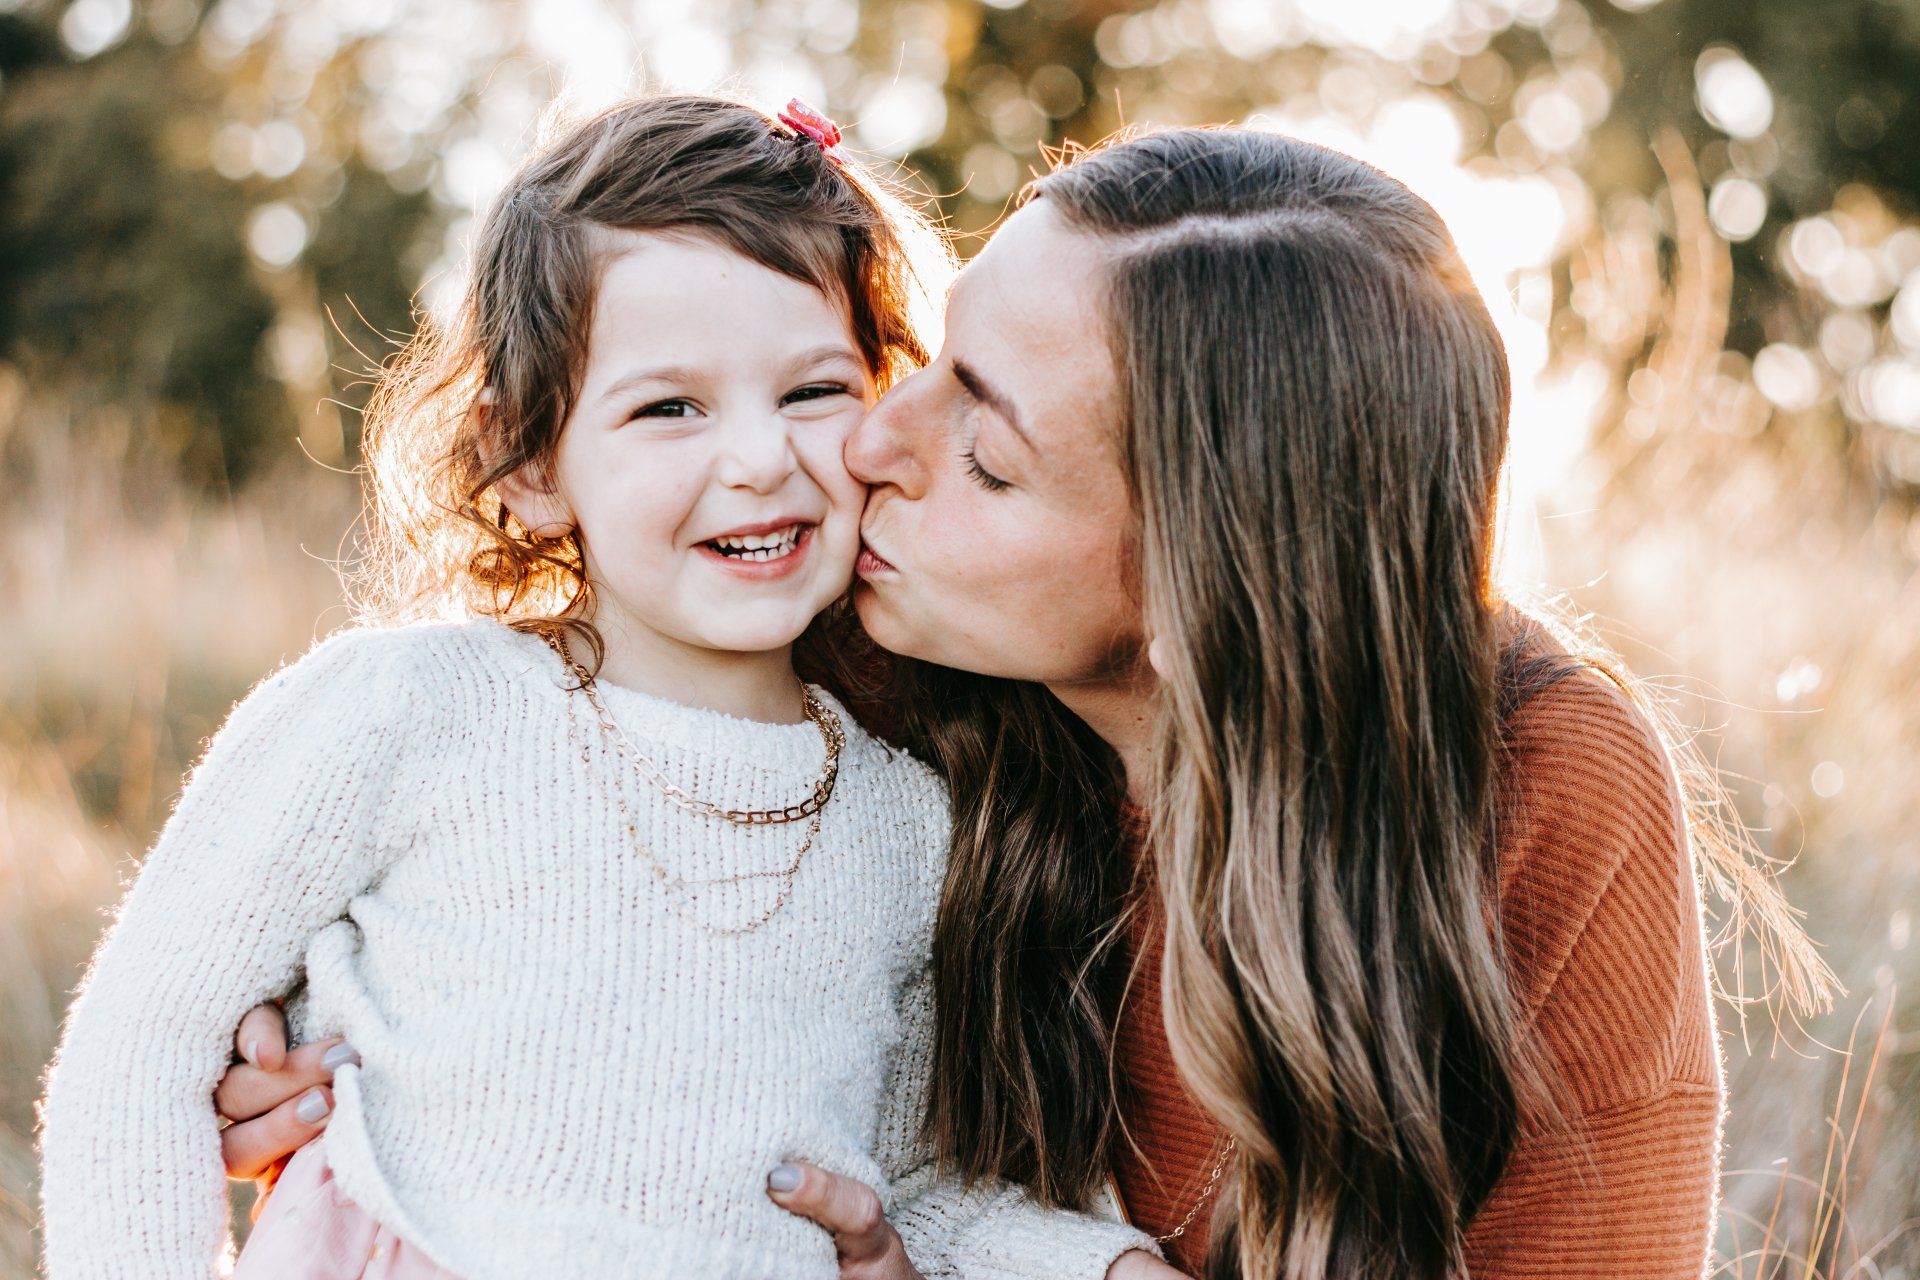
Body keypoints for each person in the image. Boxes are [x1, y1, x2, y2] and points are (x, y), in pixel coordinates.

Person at [207, 129, 1827, 1279]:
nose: (872, 450)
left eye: (985, 453)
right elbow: (482, 839)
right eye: (929, 361)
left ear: (1214, 602)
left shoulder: (1536, 783)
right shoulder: (840, 660)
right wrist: (316, 1068)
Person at [37, 95, 1172, 1280]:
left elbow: (912, 1185)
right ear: (525, 462)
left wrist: (1105, 1265)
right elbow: (145, 1047)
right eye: (669, 407)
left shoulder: (908, 818)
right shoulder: (407, 711)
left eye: (813, 390)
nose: (757, 459)